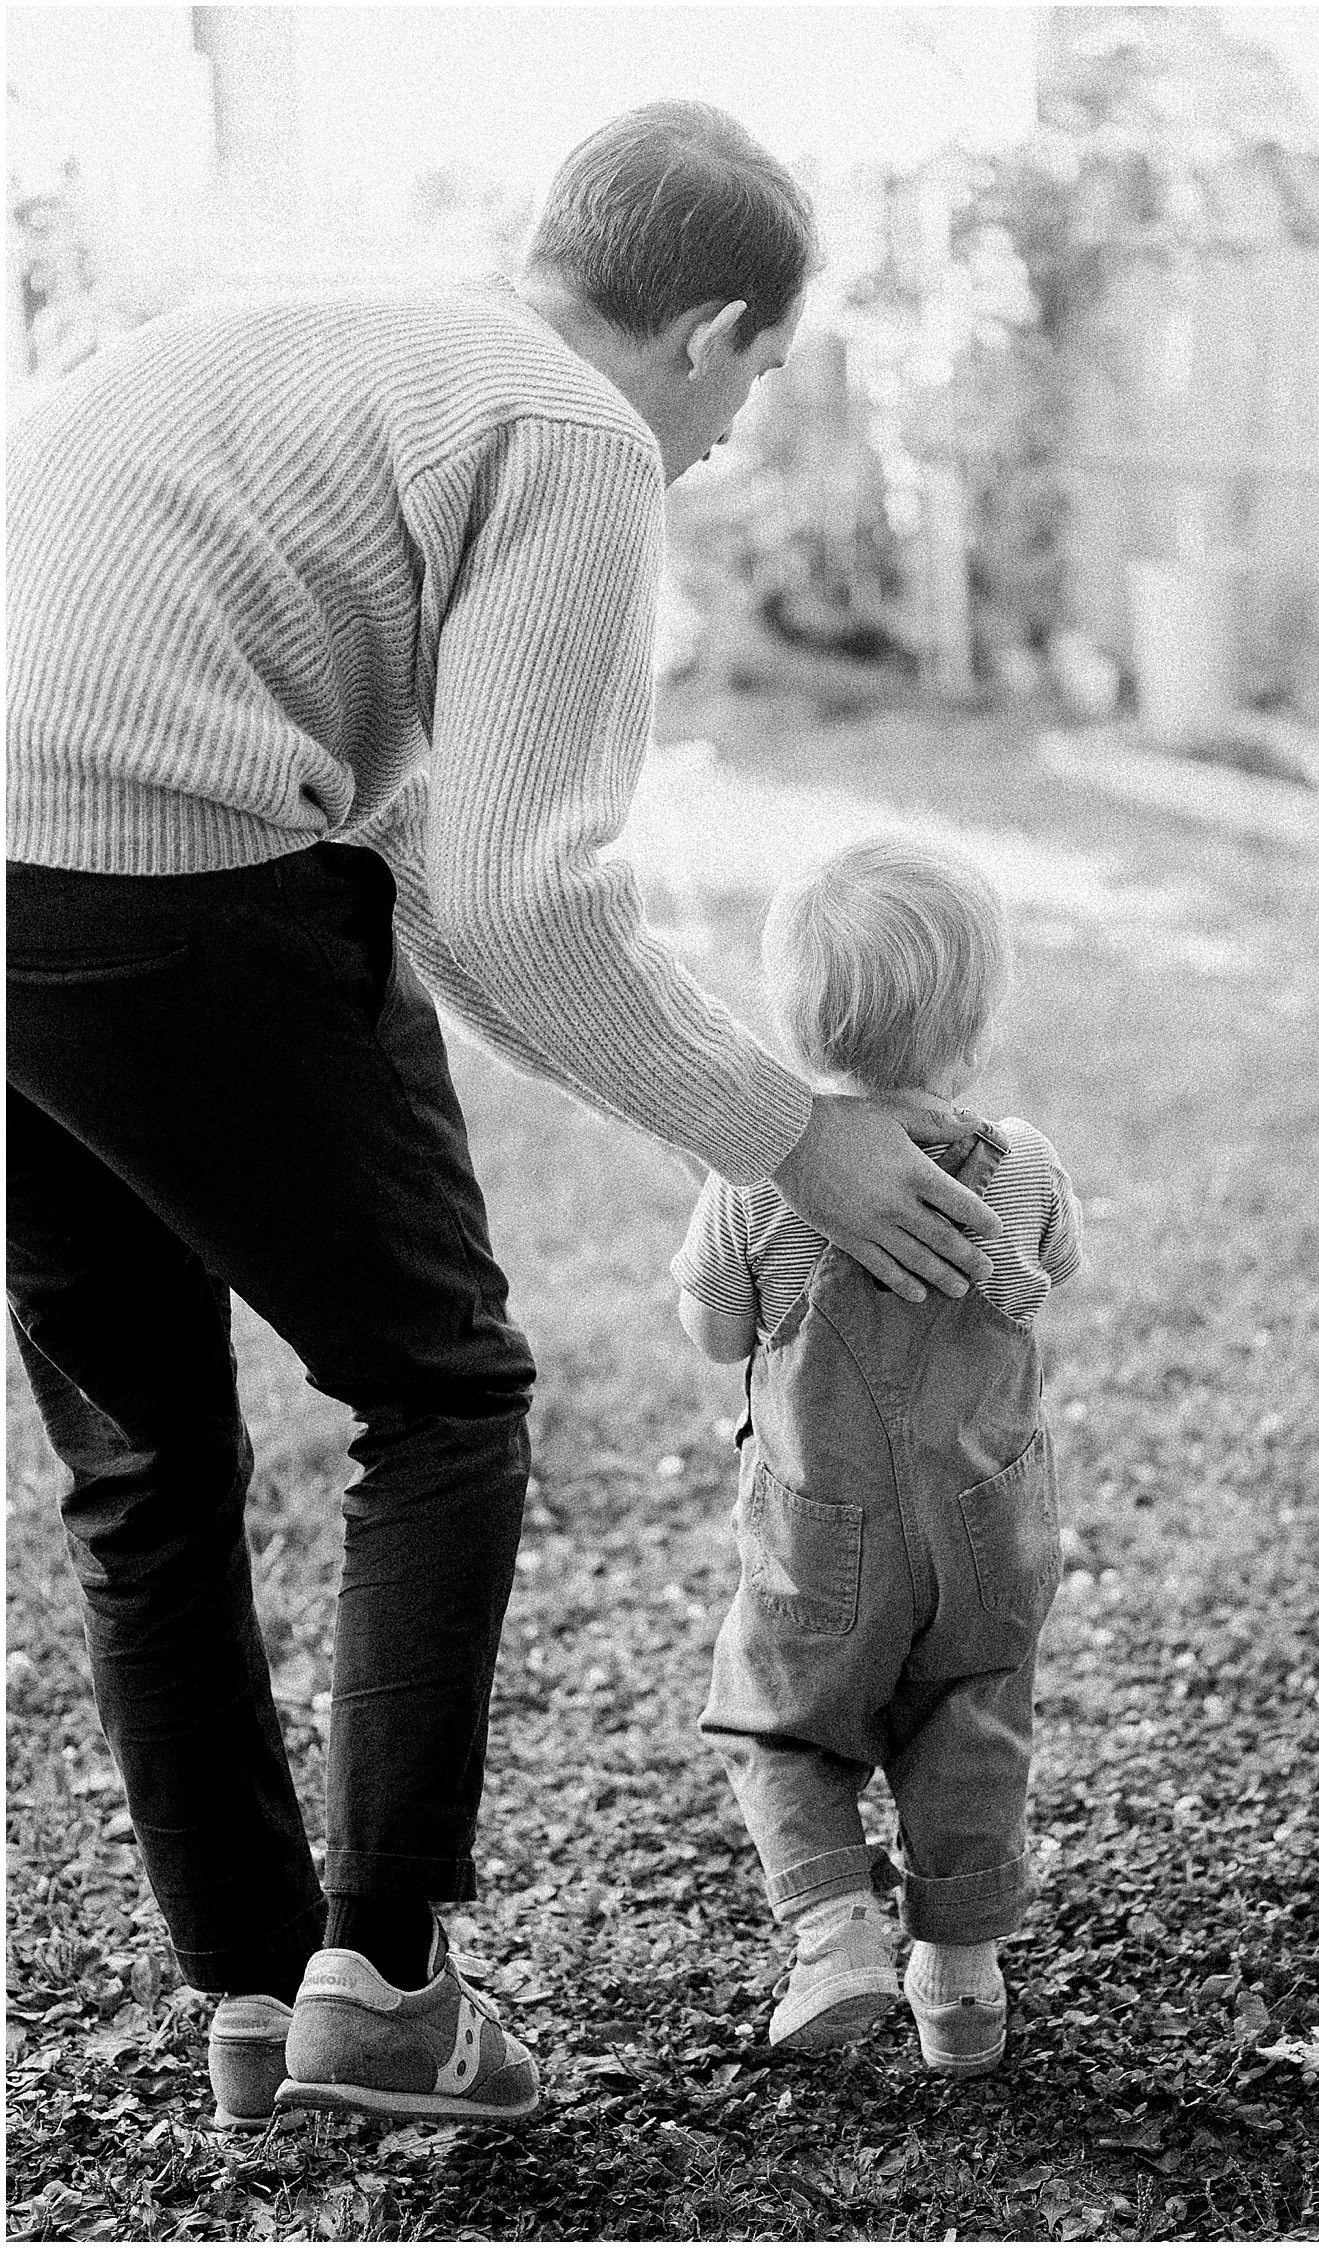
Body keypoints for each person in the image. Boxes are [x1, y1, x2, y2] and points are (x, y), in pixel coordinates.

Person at [5, 102, 1005, 2131]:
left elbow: (441, 873)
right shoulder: (569, 432)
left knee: (147, 1467)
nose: (727, 438)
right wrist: (792, 1133)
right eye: (759, 381)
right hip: (172, 868)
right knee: (444, 1393)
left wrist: (733, 1108)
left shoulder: (325, 350)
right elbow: (532, 896)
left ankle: (254, 1996)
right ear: (714, 329)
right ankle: (380, 1981)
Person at [674, 837, 1083, 2074]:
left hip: (823, 1532)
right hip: (987, 1524)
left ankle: (835, 1928)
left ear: (793, 1024)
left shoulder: (763, 1186)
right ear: (974, 1025)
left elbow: (714, 1333)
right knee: (973, 1719)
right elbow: (1055, 1279)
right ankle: (960, 1985)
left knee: (783, 1722)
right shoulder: (1019, 1165)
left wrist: (717, 1204)